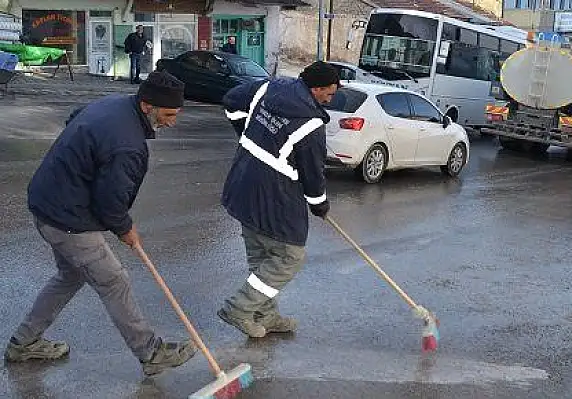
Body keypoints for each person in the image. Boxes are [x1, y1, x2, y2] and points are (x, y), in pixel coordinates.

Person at [4, 71, 197, 376]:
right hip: (67, 219)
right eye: (169, 114)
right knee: (113, 280)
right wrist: (124, 229)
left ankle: (23, 342)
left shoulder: (114, 104)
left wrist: (81, 165)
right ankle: (150, 353)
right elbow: (110, 203)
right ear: (147, 106)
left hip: (46, 202)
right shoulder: (128, 145)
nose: (173, 121)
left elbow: (74, 118)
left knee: (70, 276)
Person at [218, 61, 340, 338]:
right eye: (329, 94)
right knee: (289, 256)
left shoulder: (269, 87)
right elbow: (313, 172)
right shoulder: (309, 124)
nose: (329, 100)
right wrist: (318, 203)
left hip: (242, 180)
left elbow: (232, 101)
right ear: (316, 88)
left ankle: (265, 314)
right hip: (274, 193)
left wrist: (246, 135)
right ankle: (239, 308)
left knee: (262, 254)